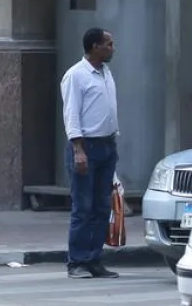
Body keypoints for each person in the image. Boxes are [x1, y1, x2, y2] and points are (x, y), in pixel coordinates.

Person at [59, 27, 120, 280]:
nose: (112, 48)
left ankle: (94, 259)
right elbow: (71, 114)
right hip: (86, 147)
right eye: (108, 44)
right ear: (95, 47)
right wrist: (78, 150)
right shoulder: (76, 75)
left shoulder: (105, 72)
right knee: (83, 207)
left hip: (106, 146)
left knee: (101, 207)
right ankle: (77, 262)